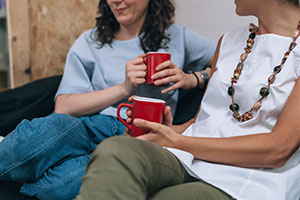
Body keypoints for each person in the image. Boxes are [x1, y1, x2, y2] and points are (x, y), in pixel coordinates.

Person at [75, 0, 300, 199]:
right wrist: (167, 130)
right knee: (116, 149)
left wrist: (176, 141)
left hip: (245, 181)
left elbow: (278, 150)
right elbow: (202, 122)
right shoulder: (230, 41)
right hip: (188, 158)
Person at [0, 0, 216, 199]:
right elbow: (63, 106)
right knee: (39, 134)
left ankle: (26, 176)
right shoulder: (89, 41)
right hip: (90, 125)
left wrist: (195, 78)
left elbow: (230, 60)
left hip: (139, 138)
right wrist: (124, 88)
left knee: (73, 182)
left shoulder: (177, 36)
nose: (116, 1)